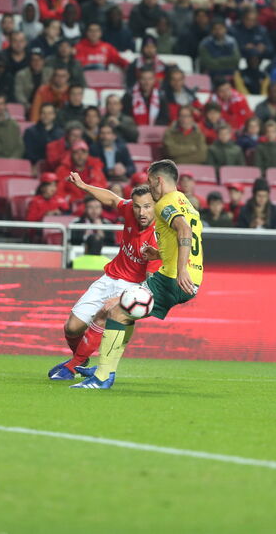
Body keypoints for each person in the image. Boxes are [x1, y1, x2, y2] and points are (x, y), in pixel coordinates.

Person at [71, 159, 203, 389]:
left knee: (115, 312)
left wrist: (181, 269)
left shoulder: (164, 203)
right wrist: (158, 253)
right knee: (124, 314)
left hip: (172, 278)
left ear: (159, 180)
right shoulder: (187, 203)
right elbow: (183, 238)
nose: (149, 187)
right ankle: (105, 368)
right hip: (193, 279)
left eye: (151, 182)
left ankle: (102, 375)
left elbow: (184, 230)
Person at [49, 172, 158, 379]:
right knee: (72, 328)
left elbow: (151, 280)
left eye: (147, 206)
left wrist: (127, 298)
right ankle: (81, 358)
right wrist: (82, 185)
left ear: (155, 206)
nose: (141, 212)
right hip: (109, 278)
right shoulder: (129, 212)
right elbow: (112, 199)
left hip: (131, 288)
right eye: (137, 206)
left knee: (102, 316)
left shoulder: (158, 237)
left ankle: (72, 367)